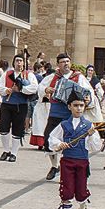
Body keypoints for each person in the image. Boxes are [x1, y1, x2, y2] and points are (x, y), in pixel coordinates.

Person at [48, 88, 104, 209]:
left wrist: (91, 136)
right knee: (66, 191)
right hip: (67, 162)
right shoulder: (64, 125)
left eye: (81, 105)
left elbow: (95, 147)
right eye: (76, 105)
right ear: (69, 107)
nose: (79, 108)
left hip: (82, 163)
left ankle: (82, 207)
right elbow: (52, 138)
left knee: (80, 192)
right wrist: (59, 145)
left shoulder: (88, 126)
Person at [36, 53, 93, 181]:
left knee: (76, 142)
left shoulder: (79, 77)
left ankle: (75, 168)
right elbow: (40, 88)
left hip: (72, 115)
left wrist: (88, 99)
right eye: (62, 62)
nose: (65, 64)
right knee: (48, 140)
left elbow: (89, 92)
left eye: (67, 61)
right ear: (58, 64)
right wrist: (46, 90)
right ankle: (54, 166)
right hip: (55, 113)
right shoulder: (53, 77)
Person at [0, 54, 38, 162]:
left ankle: (14, 153)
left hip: (21, 105)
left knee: (18, 129)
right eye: (16, 61)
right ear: (13, 62)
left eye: (20, 61)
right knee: (3, 127)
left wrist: (21, 89)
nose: (18, 63)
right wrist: (7, 90)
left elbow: (34, 87)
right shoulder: (7, 74)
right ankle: (6, 150)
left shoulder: (28, 75)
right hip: (7, 104)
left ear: (23, 63)